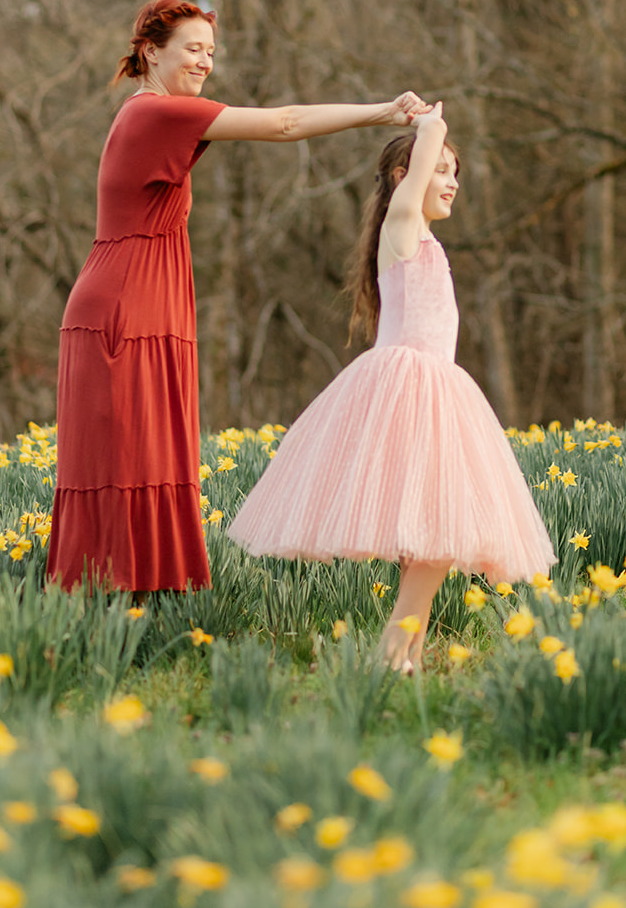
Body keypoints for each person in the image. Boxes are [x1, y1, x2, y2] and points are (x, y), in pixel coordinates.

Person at [46, 0, 428, 594]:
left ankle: (139, 602)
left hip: (142, 296)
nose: (205, 62)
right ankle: (107, 602)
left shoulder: (154, 114)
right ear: (151, 52)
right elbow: (284, 124)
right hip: (126, 308)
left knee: (148, 457)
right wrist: (382, 113)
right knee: (126, 459)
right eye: (192, 49)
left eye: (211, 52)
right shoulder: (152, 114)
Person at [227, 103, 556, 670]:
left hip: (435, 392)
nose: (451, 181)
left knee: (431, 537)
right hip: (409, 392)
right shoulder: (401, 227)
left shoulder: (424, 239)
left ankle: (407, 657)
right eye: (441, 169)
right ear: (405, 178)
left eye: (456, 172)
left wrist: (435, 140)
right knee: (437, 541)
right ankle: (389, 655)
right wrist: (430, 123)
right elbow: (422, 154)